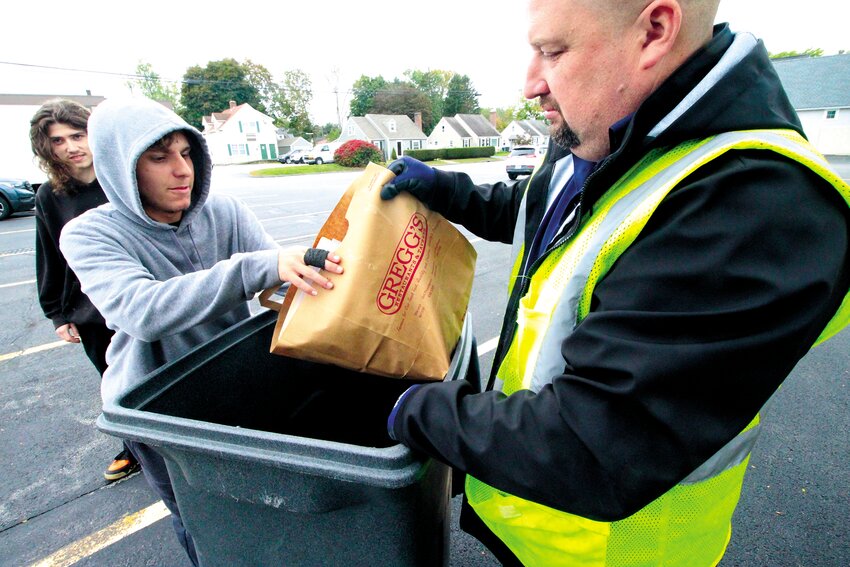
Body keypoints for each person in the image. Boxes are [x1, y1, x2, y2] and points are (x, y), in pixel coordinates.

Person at [381, 0, 850, 565]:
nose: (530, 84)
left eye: (553, 52)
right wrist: (449, 191)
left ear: (654, 31)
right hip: (533, 525)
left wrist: (420, 409)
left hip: (614, 550)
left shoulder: (752, 201)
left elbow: (594, 444)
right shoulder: (608, 136)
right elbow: (544, 216)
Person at [59, 96, 343, 565]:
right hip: (157, 406)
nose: (180, 169)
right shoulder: (90, 233)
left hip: (233, 383)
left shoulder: (224, 212)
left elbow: (280, 277)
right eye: (158, 156)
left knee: (259, 511)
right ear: (119, 165)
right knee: (203, 522)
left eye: (186, 153)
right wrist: (258, 267)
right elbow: (141, 310)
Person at [30, 99, 140, 482]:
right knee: (117, 383)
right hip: (90, 311)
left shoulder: (125, 179)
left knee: (160, 374)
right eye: (58, 141)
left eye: (77, 135)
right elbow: (50, 254)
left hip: (139, 299)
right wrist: (57, 314)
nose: (71, 147)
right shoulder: (50, 196)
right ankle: (134, 448)